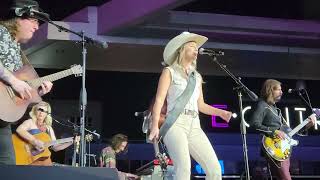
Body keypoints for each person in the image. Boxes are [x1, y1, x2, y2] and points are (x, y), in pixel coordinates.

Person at [148, 32, 232, 180]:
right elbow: (159, 100)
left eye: (197, 48)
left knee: (215, 169)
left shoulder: (196, 76)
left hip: (195, 125)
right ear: (182, 50)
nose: (196, 50)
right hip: (175, 124)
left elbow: (201, 105)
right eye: (192, 47)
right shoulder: (169, 72)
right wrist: (155, 125)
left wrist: (220, 113)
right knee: (184, 169)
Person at [0, 0, 53, 165]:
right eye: (34, 20)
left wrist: (37, 93)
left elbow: (12, 92)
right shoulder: (1, 32)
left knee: (8, 166)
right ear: (18, 18)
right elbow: (12, 81)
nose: (37, 27)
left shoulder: (16, 48)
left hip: (2, 119)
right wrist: (13, 80)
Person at [249, 79, 316, 180]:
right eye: (278, 90)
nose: (281, 92)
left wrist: (308, 125)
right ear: (270, 90)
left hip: (283, 148)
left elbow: (290, 132)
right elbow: (253, 123)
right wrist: (274, 131)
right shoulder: (262, 105)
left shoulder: (276, 110)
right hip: (273, 147)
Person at [15, 101, 74, 165]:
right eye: (39, 110)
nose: (41, 113)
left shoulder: (49, 128)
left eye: (43, 111)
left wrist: (71, 141)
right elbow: (19, 130)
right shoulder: (30, 122)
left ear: (47, 114)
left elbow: (55, 148)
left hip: (42, 160)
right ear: (35, 111)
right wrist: (35, 141)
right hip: (28, 157)